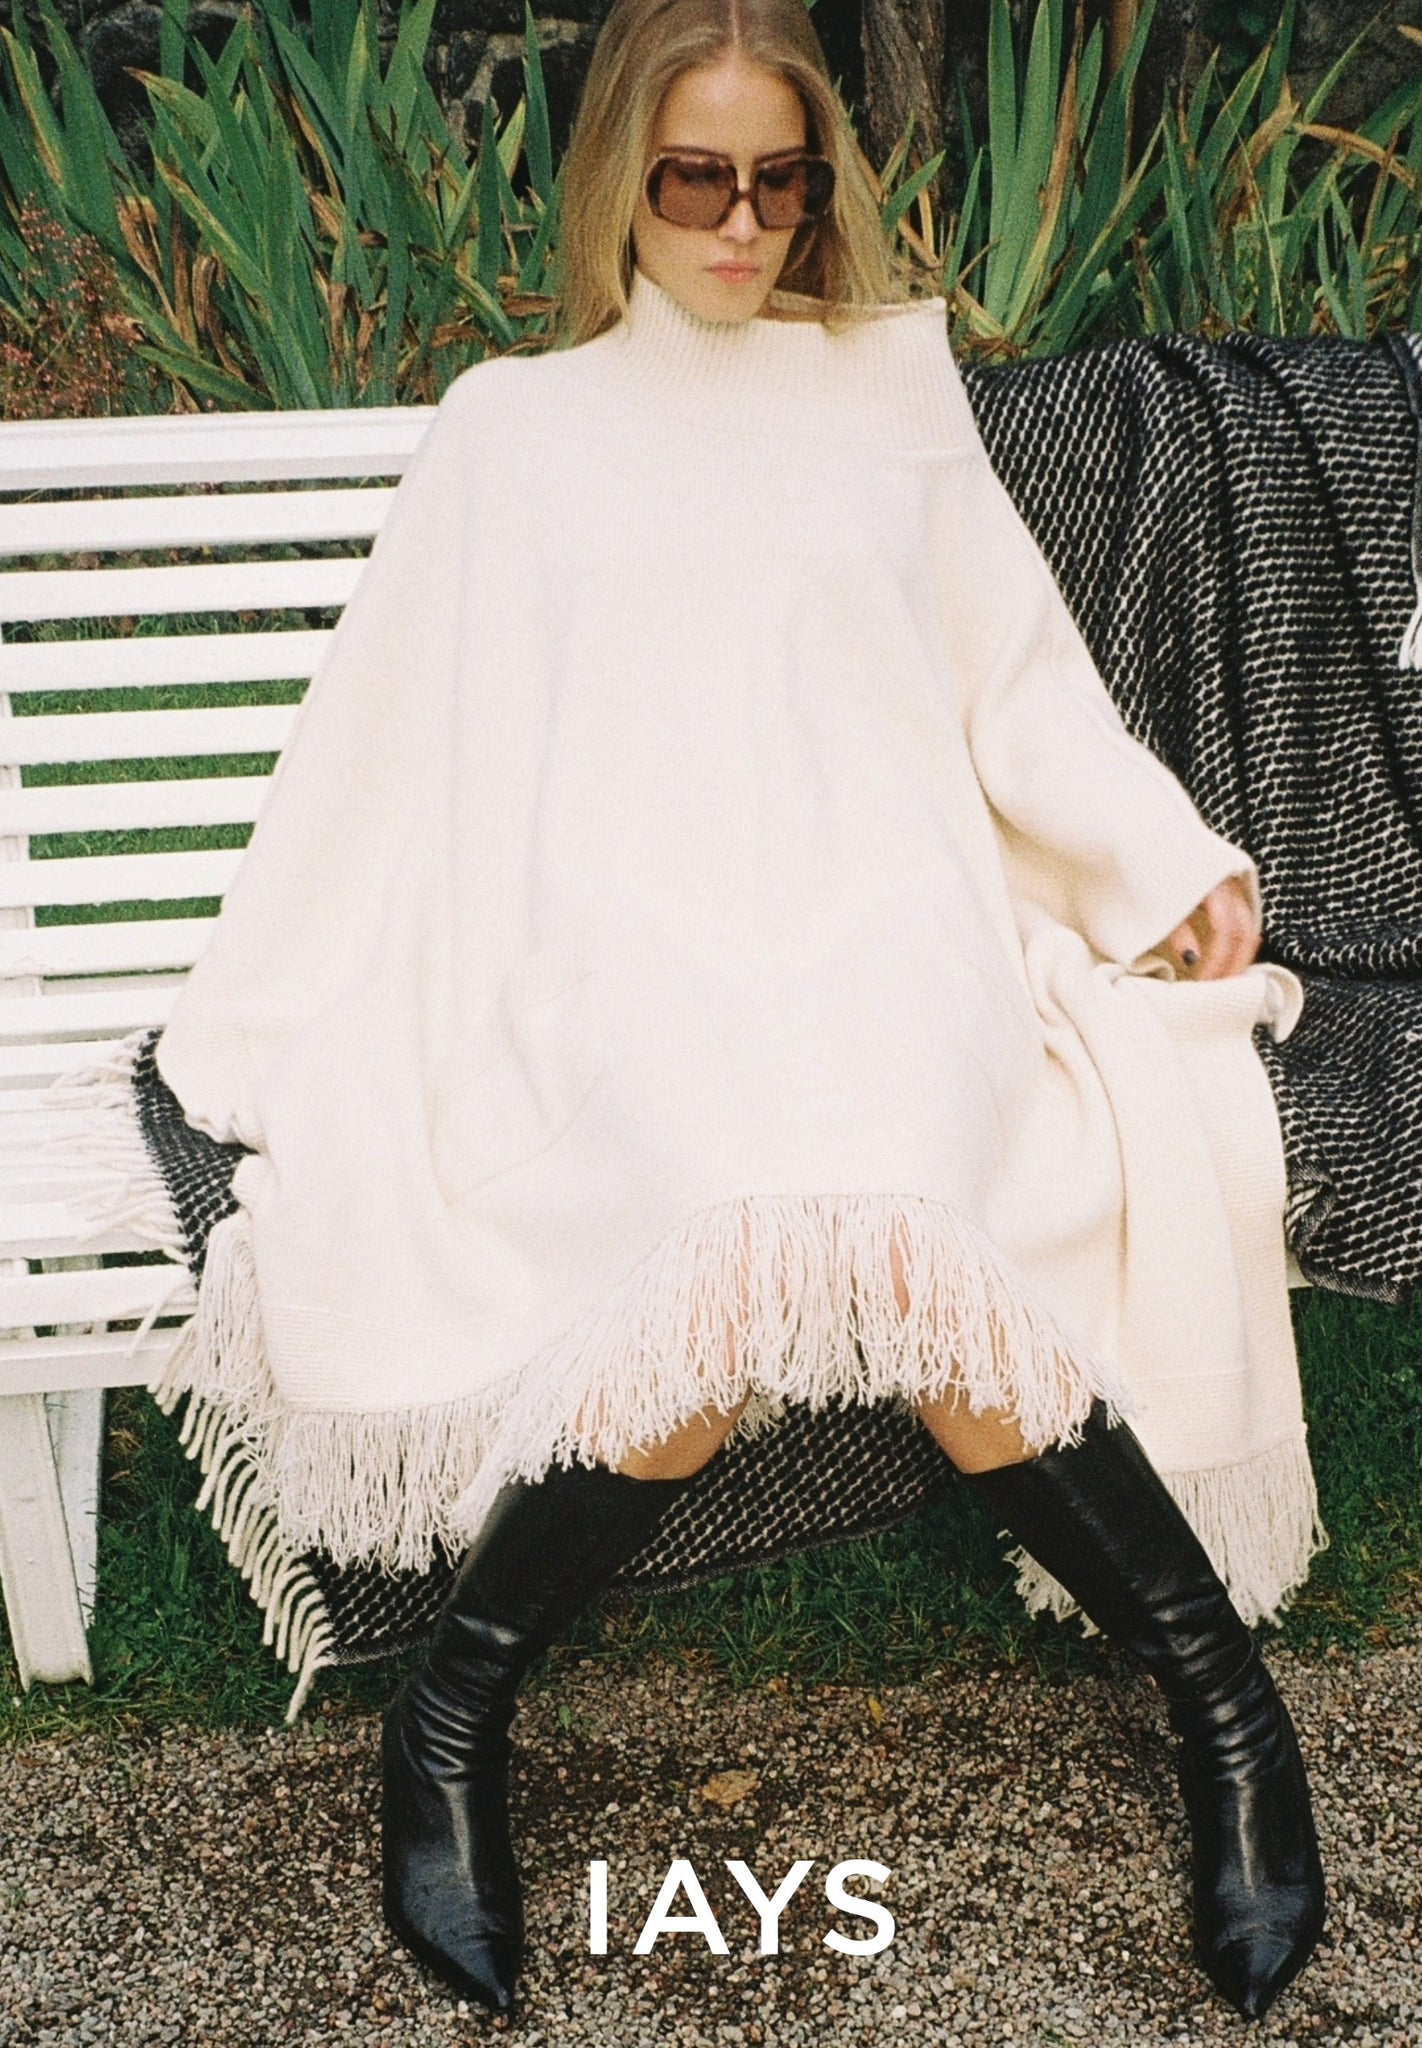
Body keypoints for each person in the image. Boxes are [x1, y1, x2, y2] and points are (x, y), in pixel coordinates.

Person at [146, 0, 1325, 2025]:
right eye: (699, 177)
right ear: (626, 173)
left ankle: (1230, 1713)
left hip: (890, 925)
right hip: (634, 945)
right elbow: (399, 741)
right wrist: (307, 989)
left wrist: (1164, 865)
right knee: (730, 1228)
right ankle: (452, 1721)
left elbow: (1016, 684)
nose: (743, 220)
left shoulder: (885, 384)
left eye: (781, 179)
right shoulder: (517, 425)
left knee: (888, 1214)